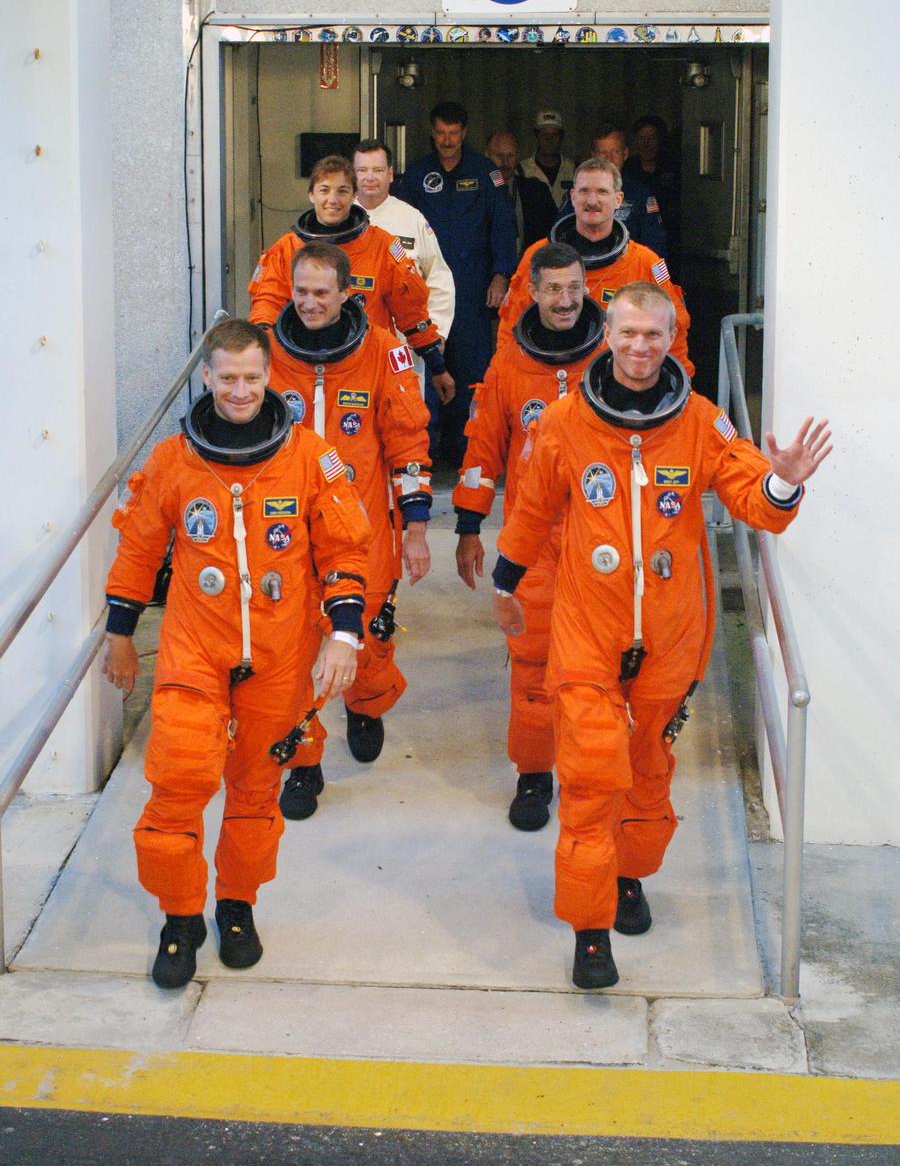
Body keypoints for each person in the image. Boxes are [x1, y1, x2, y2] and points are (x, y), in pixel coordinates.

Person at [490, 282, 832, 990]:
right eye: (628, 334)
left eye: (654, 336)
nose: (640, 348)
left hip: (671, 637)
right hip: (588, 631)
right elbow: (531, 507)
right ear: (606, 335)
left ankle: (629, 876)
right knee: (589, 775)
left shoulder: (701, 422)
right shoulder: (563, 422)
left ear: (672, 339)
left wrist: (784, 484)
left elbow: (751, 499)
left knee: (646, 772)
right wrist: (505, 580)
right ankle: (589, 930)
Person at [101, 319, 370, 989]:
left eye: (253, 377)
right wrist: (120, 635)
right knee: (176, 790)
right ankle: (179, 916)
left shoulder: (310, 456)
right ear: (208, 378)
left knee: (254, 795)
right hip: (194, 653)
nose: (242, 390)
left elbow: (344, 549)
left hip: (278, 657)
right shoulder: (174, 461)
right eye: (229, 378)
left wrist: (344, 633)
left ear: (268, 375)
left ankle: (237, 904)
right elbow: (138, 550)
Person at [264, 243, 432, 817]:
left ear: (346, 294)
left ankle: (366, 703)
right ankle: (303, 764)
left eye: (321, 293)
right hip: (286, 532)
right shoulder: (266, 353)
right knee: (290, 656)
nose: (309, 303)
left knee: (368, 637)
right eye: (301, 292)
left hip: (361, 528)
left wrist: (414, 527)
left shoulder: (384, 352)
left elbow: (408, 441)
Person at [454, 242, 605, 830]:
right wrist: (468, 526)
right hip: (534, 542)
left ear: (586, 289)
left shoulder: (614, 357)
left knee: (605, 669)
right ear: (533, 292)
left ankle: (591, 772)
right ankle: (535, 774)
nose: (565, 301)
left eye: (574, 289)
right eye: (553, 290)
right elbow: (482, 445)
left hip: (604, 540)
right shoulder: (509, 365)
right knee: (533, 662)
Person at [248, 154, 454, 406]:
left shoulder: (382, 247)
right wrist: (257, 356)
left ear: (354, 195)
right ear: (311, 194)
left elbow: (412, 314)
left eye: (342, 191)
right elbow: (266, 308)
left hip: (366, 367)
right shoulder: (286, 249)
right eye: (324, 190)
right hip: (299, 371)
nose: (332, 200)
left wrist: (437, 366)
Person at [395, 101, 517, 466]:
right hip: (424, 291)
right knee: (426, 367)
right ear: (433, 134)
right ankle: (425, 454)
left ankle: (469, 454)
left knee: (471, 370)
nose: (447, 140)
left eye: (454, 133)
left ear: (464, 133)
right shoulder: (416, 176)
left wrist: (500, 276)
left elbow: (503, 228)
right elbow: (399, 231)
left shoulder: (485, 173)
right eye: (441, 133)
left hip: (473, 288)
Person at [498, 158, 693, 377]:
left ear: (619, 199)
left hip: (618, 384)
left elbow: (673, 328)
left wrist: (677, 387)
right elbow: (511, 326)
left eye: (602, 192)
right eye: (584, 191)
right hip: (549, 378)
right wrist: (507, 380)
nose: (592, 201)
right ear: (572, 197)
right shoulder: (538, 256)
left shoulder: (645, 262)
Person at [353, 138, 455, 392]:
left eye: (377, 170)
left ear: (390, 174)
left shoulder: (412, 219)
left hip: (404, 344)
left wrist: (436, 334)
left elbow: (439, 277)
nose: (370, 177)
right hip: (350, 345)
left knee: (406, 417)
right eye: (362, 170)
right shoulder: (338, 219)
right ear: (352, 175)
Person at [588, 123, 668, 259]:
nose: (609, 159)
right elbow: (558, 243)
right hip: (590, 275)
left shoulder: (641, 194)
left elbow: (656, 250)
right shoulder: (580, 195)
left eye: (615, 152)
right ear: (594, 156)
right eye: (603, 153)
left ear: (625, 154)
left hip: (628, 276)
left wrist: (660, 280)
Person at [624, 115, 681, 275]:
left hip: (668, 244)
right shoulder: (627, 169)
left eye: (652, 138)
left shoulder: (675, 168)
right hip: (633, 245)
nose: (646, 144)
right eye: (642, 138)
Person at [485, 130, 558, 255]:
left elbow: (554, 232)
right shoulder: (475, 193)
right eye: (499, 156)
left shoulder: (537, 191)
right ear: (487, 155)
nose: (505, 162)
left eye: (510, 155)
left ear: (518, 156)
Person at [518, 108, 577, 210]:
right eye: (544, 134)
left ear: (561, 137)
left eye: (554, 135)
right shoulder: (521, 171)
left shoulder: (575, 170)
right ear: (536, 137)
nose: (549, 140)